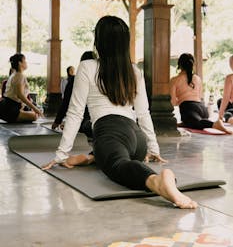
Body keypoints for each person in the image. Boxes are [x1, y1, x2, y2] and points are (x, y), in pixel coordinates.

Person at [43, 16, 197, 209]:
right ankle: (93, 157)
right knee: (115, 153)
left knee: (118, 165)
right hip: (137, 141)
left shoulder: (87, 67)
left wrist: (61, 154)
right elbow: (143, 113)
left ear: (98, 41)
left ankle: (156, 181)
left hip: (109, 132)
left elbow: (75, 113)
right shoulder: (134, 70)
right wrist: (153, 148)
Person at [170, 53, 232, 134]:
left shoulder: (175, 80)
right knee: (193, 121)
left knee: (196, 122)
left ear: (179, 65)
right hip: (203, 109)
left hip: (189, 108)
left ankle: (214, 124)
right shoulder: (197, 78)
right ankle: (189, 122)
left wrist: (181, 100)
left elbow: (173, 102)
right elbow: (200, 96)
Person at [51, 51, 95, 166]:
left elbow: (66, 104)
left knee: (83, 124)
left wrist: (58, 121)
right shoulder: (101, 77)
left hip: (87, 120)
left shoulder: (76, 79)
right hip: (97, 120)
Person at [0, 53, 43, 123]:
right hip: (9, 108)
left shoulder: (15, 74)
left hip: (6, 106)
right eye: (25, 61)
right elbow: (20, 95)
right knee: (35, 116)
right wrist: (35, 108)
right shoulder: (19, 76)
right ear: (20, 63)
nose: (26, 63)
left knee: (34, 114)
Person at [218, 55, 233, 124]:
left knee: (227, 116)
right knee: (219, 101)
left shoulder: (230, 78)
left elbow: (226, 98)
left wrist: (220, 115)